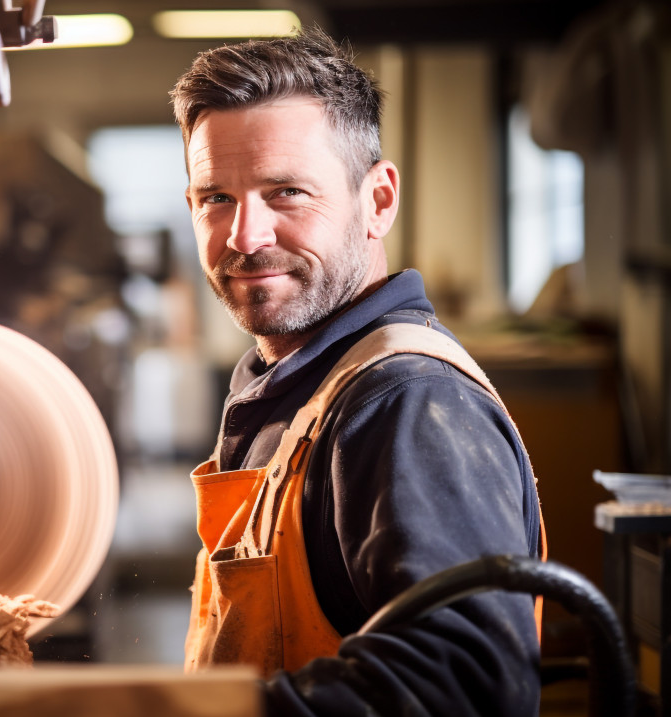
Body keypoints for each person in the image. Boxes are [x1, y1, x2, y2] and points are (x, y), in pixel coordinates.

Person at [171, 29, 545, 715]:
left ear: (377, 201)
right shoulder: (296, 383)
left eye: (286, 192)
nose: (245, 236)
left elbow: (465, 686)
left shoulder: (407, 403)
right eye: (214, 197)